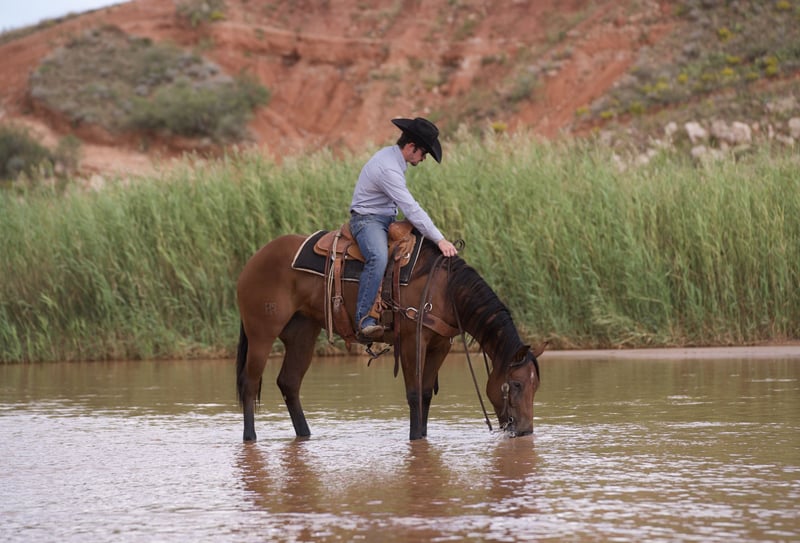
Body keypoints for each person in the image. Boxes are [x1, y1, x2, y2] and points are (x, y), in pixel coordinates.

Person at [349, 117, 458, 340]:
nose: (423, 158)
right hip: (367, 220)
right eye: (423, 153)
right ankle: (364, 320)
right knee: (378, 257)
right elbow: (411, 208)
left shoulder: (392, 158)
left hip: (387, 218)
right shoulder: (388, 169)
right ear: (411, 147)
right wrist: (440, 239)